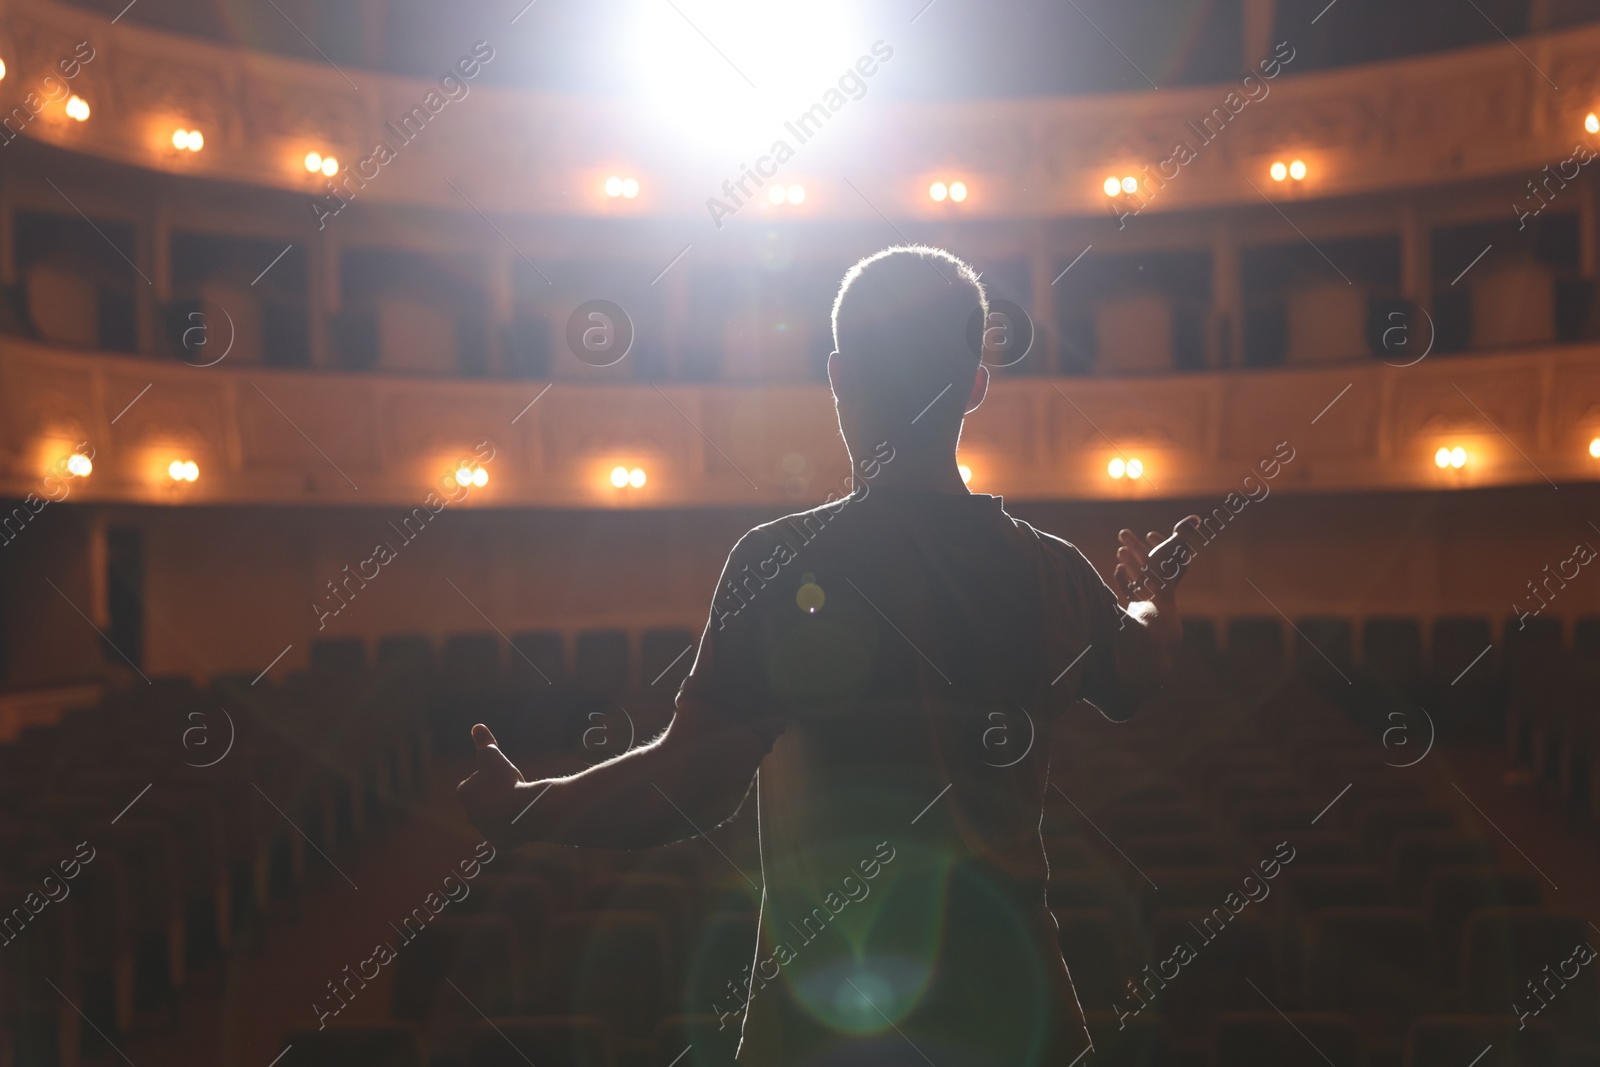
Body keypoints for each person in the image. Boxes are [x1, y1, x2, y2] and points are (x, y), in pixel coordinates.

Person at [459, 245, 1199, 1066]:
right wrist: (1151, 596)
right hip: (1017, 1017)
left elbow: (694, 783)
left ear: (840, 376)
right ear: (977, 384)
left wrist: (529, 806)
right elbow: (1141, 667)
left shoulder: (782, 560)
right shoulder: (1050, 570)